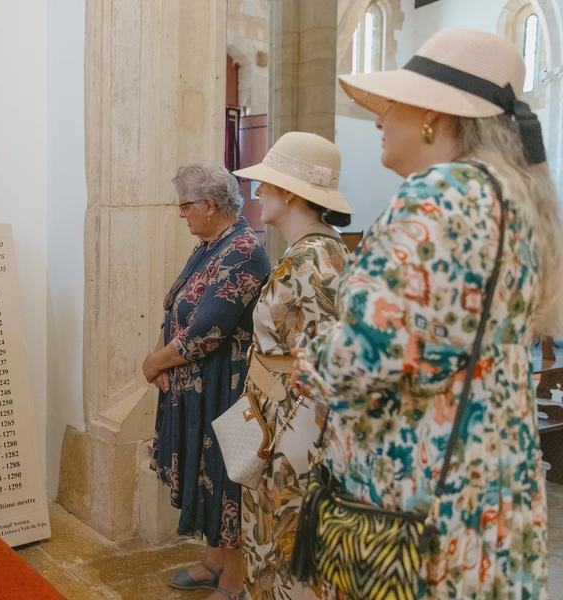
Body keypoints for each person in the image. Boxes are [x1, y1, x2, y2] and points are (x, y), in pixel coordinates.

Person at [292, 29, 563, 599]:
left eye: (391, 105)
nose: (378, 121)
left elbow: (367, 353)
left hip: (418, 500)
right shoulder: (514, 198)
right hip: (489, 486)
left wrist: (310, 357)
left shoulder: (437, 196)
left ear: (434, 118)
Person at [231, 132, 352, 600]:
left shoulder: (315, 260)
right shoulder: (310, 251)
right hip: (274, 415)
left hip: (292, 432)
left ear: (291, 193)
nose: (257, 193)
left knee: (285, 547)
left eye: (266, 185)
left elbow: (319, 371)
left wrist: (290, 459)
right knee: (267, 547)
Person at [143, 161, 270, 600]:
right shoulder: (209, 243)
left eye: (185, 206)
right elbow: (176, 304)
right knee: (203, 472)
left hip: (223, 385)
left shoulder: (243, 250)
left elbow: (207, 331)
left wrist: (153, 364)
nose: (182, 214)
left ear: (209, 205)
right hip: (196, 382)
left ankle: (234, 582)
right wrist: (159, 353)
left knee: (224, 477)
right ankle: (213, 561)